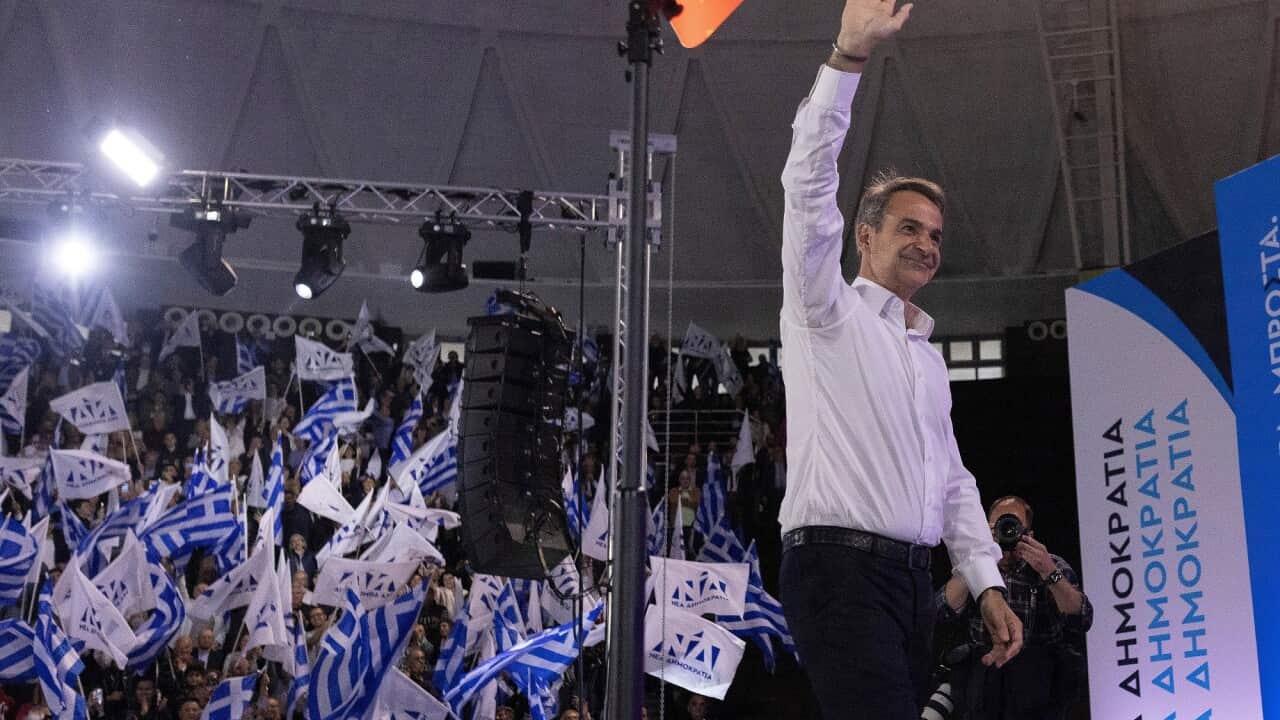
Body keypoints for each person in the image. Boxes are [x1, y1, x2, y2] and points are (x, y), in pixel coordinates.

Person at [775, 1, 1022, 717]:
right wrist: (847, 59)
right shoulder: (825, 311)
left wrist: (987, 584)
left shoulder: (926, 359)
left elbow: (951, 482)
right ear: (864, 237)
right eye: (909, 227)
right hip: (836, 569)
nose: (927, 244)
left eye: (937, 236)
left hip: (912, 585)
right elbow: (807, 191)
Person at [936, 496, 1093, 719]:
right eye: (998, 526)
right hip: (984, 678)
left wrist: (1049, 572)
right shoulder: (975, 566)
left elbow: (1082, 618)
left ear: (1029, 534)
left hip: (1038, 677)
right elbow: (938, 614)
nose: (1005, 533)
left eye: (1013, 527)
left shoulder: (1050, 564)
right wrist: (977, 559)